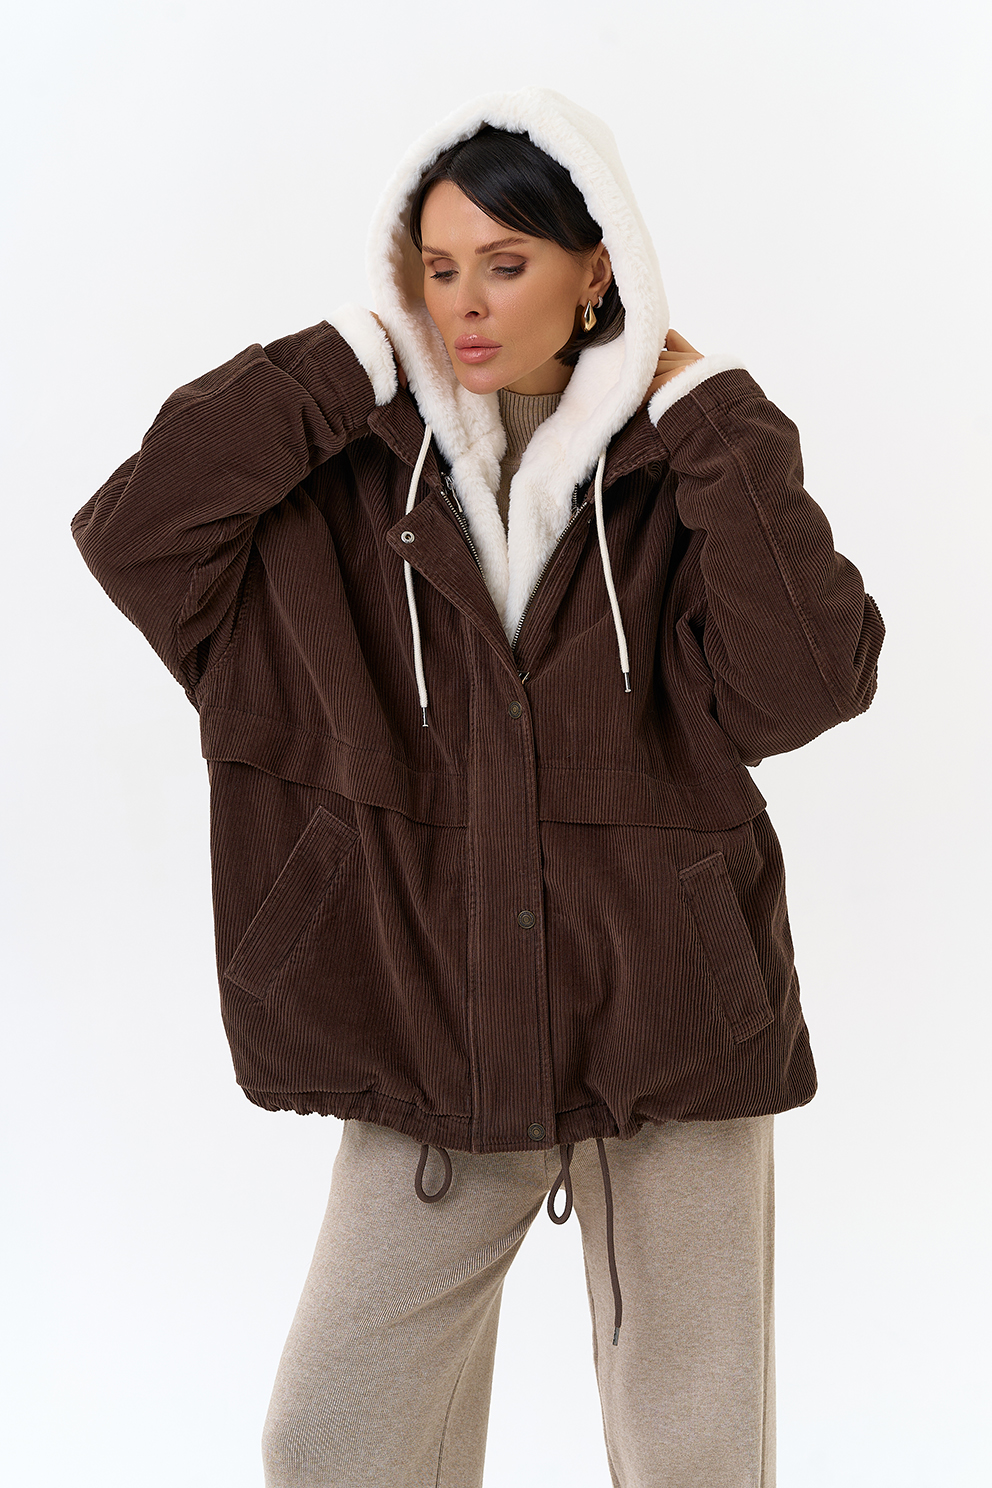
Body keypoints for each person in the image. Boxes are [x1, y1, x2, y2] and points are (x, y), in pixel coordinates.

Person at [71, 87, 884, 1488]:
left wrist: (714, 419)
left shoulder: (673, 477)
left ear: (597, 268)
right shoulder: (344, 489)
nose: (466, 301)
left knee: (695, 1459)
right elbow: (135, 535)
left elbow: (810, 680)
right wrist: (333, 366)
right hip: (430, 1027)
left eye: (506, 263)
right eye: (438, 266)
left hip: (669, 1033)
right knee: (331, 1440)